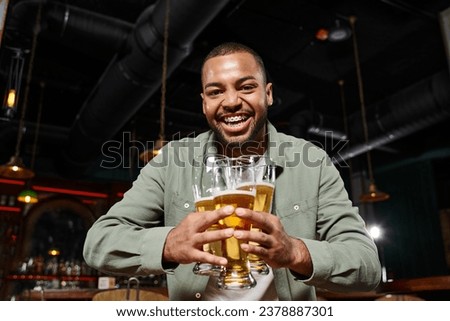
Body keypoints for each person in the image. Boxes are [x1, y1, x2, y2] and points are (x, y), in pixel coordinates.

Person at [83, 42, 381, 300]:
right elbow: (99, 243)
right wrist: (170, 244)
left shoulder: (311, 161)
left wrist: (295, 253)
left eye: (246, 87)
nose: (231, 101)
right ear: (204, 104)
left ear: (269, 94)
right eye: (216, 91)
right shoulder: (172, 160)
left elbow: (366, 265)